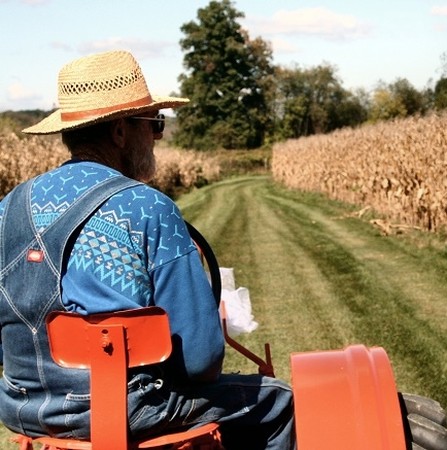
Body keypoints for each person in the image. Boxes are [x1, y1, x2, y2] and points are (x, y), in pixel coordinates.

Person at [0, 50, 295, 450]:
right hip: (124, 410)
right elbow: (202, 360)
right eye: (154, 124)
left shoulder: (7, 209)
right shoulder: (148, 208)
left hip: (22, 408)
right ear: (121, 131)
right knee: (278, 401)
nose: (157, 136)